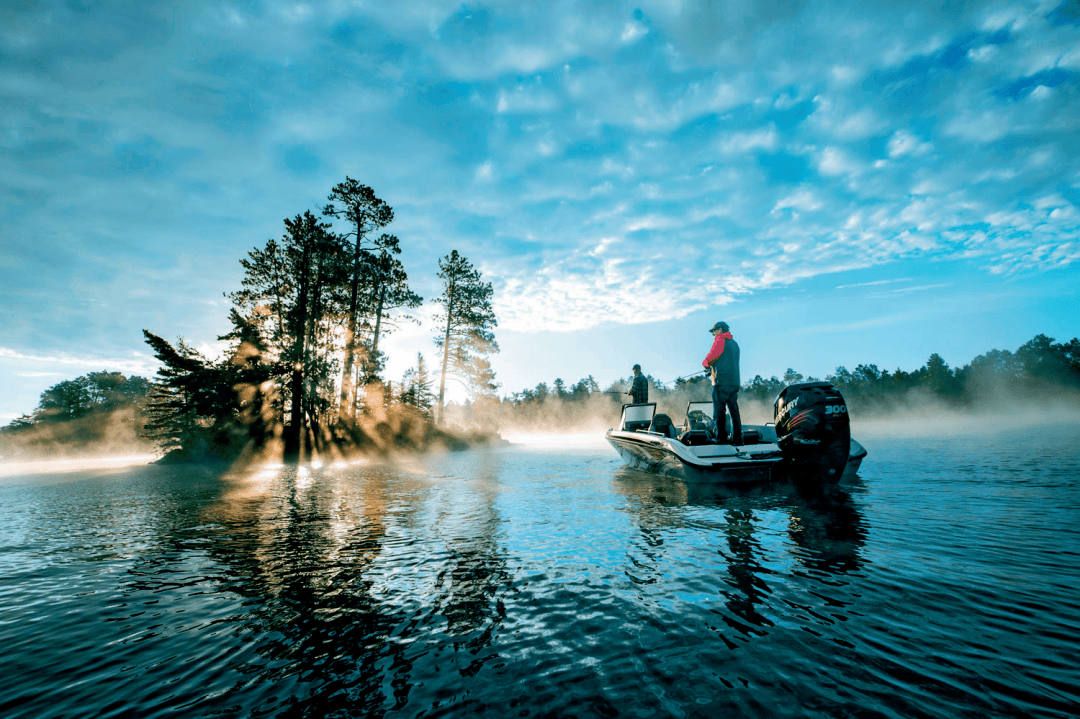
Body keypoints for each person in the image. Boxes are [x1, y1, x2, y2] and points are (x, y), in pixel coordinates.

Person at [702, 321, 742, 445]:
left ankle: (721, 439)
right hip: (734, 382)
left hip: (721, 382)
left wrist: (705, 364)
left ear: (719, 330)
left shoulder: (720, 340)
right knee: (734, 412)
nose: (713, 334)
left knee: (719, 413)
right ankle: (737, 439)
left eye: (713, 331)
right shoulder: (735, 344)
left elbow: (712, 357)